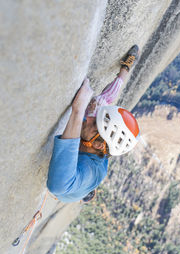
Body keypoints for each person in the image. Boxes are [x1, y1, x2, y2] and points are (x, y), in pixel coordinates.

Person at [47, 45, 141, 203]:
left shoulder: (89, 171)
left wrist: (78, 111)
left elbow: (58, 187)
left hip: (75, 186)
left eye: (94, 125)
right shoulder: (100, 147)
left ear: (97, 145)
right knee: (101, 102)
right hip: (86, 179)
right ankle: (125, 69)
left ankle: (87, 193)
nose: (89, 118)